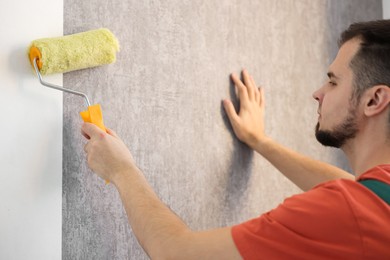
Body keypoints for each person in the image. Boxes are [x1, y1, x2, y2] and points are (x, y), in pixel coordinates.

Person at [81, 19, 390, 259]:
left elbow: (175, 252)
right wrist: (261, 141)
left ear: (375, 100)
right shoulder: (374, 201)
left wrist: (122, 171)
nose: (318, 93)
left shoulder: (350, 214)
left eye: (333, 81)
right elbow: (353, 190)